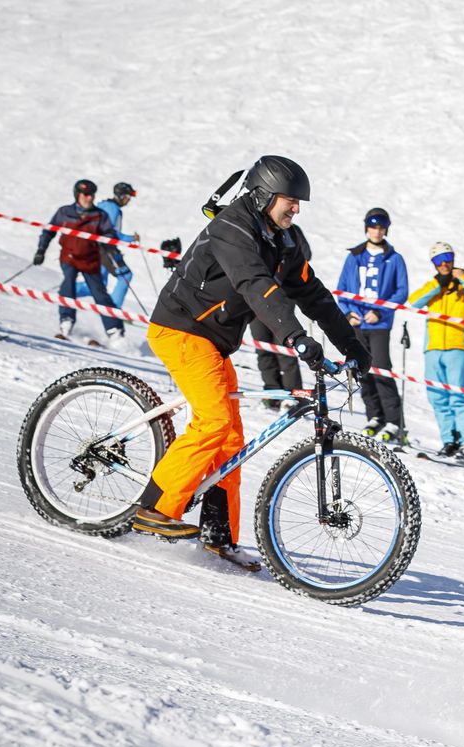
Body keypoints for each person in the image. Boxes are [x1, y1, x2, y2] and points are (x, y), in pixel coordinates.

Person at [130, 155, 370, 563]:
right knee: (215, 421)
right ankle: (154, 507)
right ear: (262, 196)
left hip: (214, 341)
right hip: (181, 330)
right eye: (289, 200)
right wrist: (295, 337)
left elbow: (314, 295)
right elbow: (254, 284)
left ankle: (218, 536)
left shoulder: (284, 239)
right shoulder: (231, 228)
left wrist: (352, 347)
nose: (295, 209)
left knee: (231, 441)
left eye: (299, 203)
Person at [410, 243, 464, 463]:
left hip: (456, 348)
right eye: (438, 260)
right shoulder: (433, 286)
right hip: (433, 348)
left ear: (453, 259)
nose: (443, 263)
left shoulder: (463, 286)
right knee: (437, 397)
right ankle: (450, 440)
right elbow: (414, 301)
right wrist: (437, 284)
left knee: (459, 396)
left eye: (447, 258)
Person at [337, 207, 409, 441]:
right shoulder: (355, 256)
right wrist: (348, 314)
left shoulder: (394, 258)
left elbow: (401, 291)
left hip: (379, 324)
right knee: (361, 369)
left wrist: (379, 311)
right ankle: (374, 416)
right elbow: (342, 290)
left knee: (381, 368)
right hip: (357, 323)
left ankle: (393, 421)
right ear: (366, 227)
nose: (377, 231)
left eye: (381, 227)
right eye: (373, 226)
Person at [33, 178, 131, 346]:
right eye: (86, 194)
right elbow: (49, 231)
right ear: (77, 195)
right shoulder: (64, 212)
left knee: (99, 292)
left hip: (90, 259)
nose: (89, 198)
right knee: (68, 284)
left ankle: (115, 331)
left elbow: (109, 237)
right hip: (69, 257)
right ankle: (66, 322)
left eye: (92, 194)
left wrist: (117, 259)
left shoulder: (100, 215)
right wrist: (41, 250)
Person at [73, 182, 139, 312]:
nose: (128, 201)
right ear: (121, 196)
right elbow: (111, 233)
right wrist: (132, 238)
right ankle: (113, 311)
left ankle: (68, 291)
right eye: (127, 197)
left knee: (99, 283)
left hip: (94, 248)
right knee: (125, 276)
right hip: (104, 250)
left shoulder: (103, 205)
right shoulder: (113, 209)